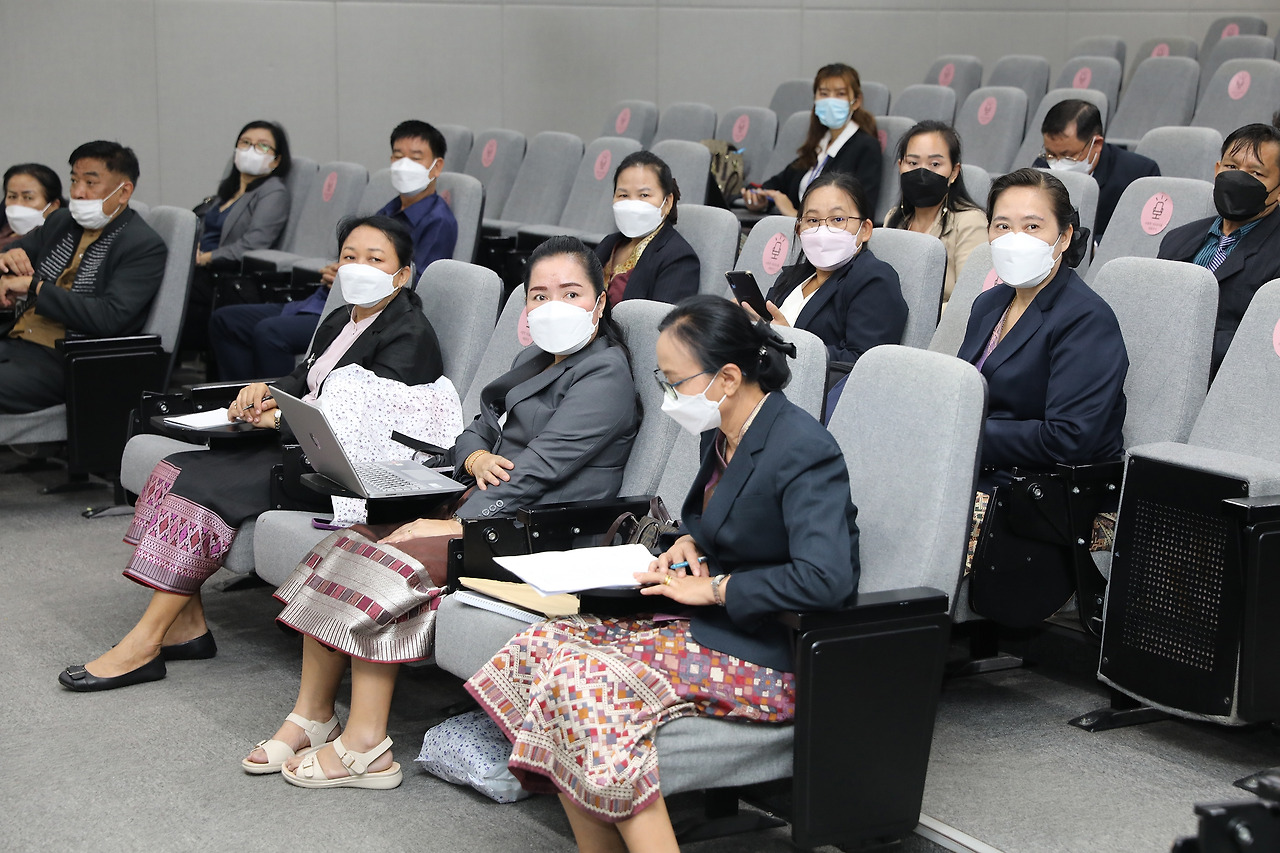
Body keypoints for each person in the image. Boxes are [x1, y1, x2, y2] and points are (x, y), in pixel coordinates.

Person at [242, 235, 639, 787]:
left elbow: (541, 473)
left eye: (571, 293)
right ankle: (312, 715)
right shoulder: (533, 358)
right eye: (540, 295)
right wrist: (474, 452)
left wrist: (458, 524)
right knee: (349, 539)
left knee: (393, 559)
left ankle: (367, 747)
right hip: (483, 502)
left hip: (544, 528)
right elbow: (477, 422)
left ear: (599, 303)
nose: (554, 307)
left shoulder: (606, 375)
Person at [467, 295, 860, 850]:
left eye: (675, 381)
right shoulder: (722, 428)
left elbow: (826, 579)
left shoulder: (803, 448)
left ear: (727, 377)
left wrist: (717, 586)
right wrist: (695, 541)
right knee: (542, 646)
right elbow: (729, 514)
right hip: (711, 629)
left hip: (773, 651)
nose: (669, 395)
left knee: (587, 684)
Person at [58, 215, 444, 693]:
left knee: (201, 488)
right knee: (175, 469)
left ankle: (144, 643)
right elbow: (305, 380)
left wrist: (280, 419)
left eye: (374, 259)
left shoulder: (410, 335)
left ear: (402, 274)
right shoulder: (345, 318)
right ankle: (187, 627)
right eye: (349, 256)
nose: (358, 267)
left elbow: (367, 427)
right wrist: (266, 391)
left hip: (342, 472)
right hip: (300, 447)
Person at [209, 119, 458, 380]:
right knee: (226, 320)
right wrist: (340, 267)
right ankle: (241, 397)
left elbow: (418, 285)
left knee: (269, 332)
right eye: (398, 155)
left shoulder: (438, 221)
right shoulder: (391, 208)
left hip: (361, 311)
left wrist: (362, 271)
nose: (404, 164)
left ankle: (275, 406)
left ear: (436, 165)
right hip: (325, 300)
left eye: (415, 157)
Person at [957, 168, 1127, 494]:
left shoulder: (1087, 319)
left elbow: (1068, 439)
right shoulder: (988, 303)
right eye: (1002, 226)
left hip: (1039, 490)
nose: (1015, 239)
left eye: (1032, 227)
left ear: (1063, 237)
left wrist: (963, 429)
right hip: (971, 467)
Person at [0, 141, 167, 414]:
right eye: (74, 180)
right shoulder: (60, 222)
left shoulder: (142, 245)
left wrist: (35, 287)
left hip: (66, 360)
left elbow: (109, 316)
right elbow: (12, 255)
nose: (77, 192)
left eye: (91, 183)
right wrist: (4, 260)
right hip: (16, 339)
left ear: (124, 191)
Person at [1157, 123, 1280, 378]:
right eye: (1231, 167)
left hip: (1230, 384)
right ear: (1216, 170)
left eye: (1256, 174)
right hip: (1158, 370)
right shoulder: (1176, 239)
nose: (1238, 179)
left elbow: (1262, 340)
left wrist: (1182, 343)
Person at [755, 172, 906, 367]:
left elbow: (865, 363)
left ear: (865, 230)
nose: (823, 230)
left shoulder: (875, 279)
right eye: (813, 220)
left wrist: (789, 343)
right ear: (800, 229)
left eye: (837, 220)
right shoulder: (793, 276)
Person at [179, 121, 292, 355]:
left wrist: (206, 258)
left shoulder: (273, 191)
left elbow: (255, 243)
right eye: (246, 143)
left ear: (277, 160)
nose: (251, 150)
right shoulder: (226, 192)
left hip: (224, 277)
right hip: (200, 271)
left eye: (263, 146)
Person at [743, 63, 882, 217]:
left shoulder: (866, 147)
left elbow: (861, 213)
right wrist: (760, 200)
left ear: (856, 101)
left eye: (840, 94)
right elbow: (776, 185)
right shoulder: (819, 143)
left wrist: (794, 215)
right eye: (823, 93)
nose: (830, 101)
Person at [884, 121, 987, 305]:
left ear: (954, 172)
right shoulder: (894, 218)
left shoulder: (970, 221)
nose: (922, 172)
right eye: (913, 162)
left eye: (935, 164)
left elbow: (969, 300)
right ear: (900, 166)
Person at [1032, 99, 1159, 242]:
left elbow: (1137, 234)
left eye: (1068, 156)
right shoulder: (1042, 166)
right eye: (1051, 154)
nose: (1057, 163)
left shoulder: (1138, 173)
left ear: (1096, 144)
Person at [594, 150, 700, 305]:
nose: (632, 204)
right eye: (623, 195)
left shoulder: (678, 258)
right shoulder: (609, 243)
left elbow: (663, 324)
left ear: (668, 202)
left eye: (644, 195)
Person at [1, 163, 65, 251]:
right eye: (12, 197)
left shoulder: (58, 245)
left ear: (53, 206)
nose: (18, 204)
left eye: (28, 198)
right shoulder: (5, 230)